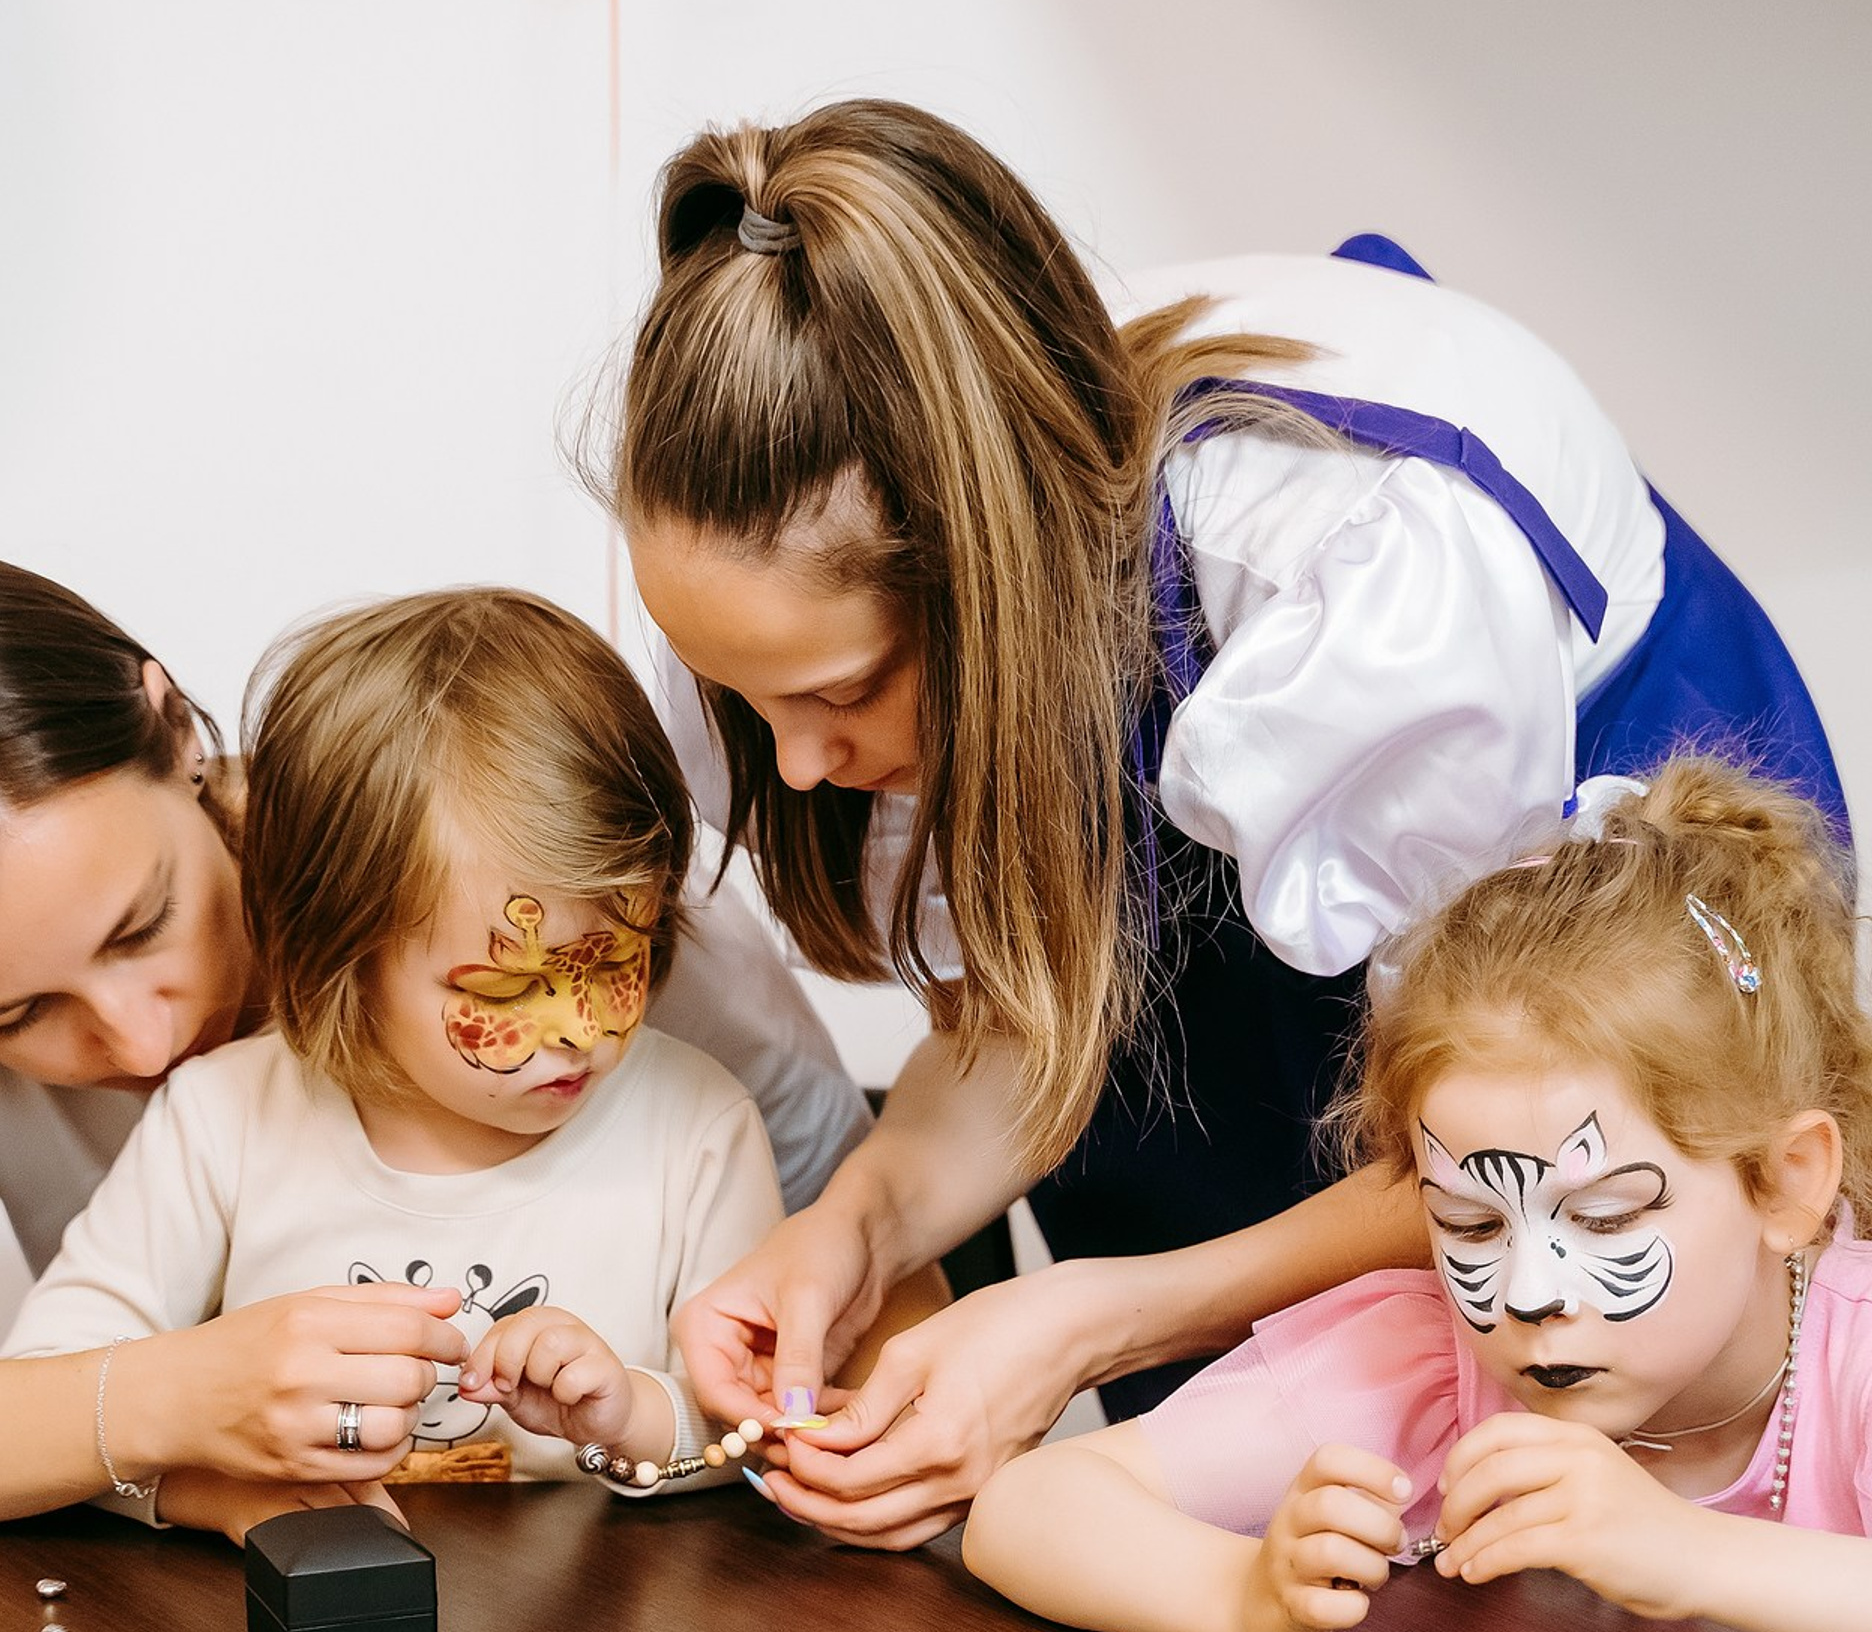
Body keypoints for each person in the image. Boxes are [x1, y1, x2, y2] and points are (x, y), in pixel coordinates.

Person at [596, 98, 1849, 1547]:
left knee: (1574, 1446)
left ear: (987, 579)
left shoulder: (1361, 582)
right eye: (746, 706)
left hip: (1563, 924)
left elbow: (1497, 1147)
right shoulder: (871, 448)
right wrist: (856, 1228)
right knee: (1271, 1524)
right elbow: (1039, 1004)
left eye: (845, 693)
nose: (797, 769)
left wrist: (1093, 1321)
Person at [0, 552, 870, 1524]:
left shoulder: (681, 1069)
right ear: (349, 956)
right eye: (17, 1014)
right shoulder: (219, 1114)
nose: (144, 1046)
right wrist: (185, 1450)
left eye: (146, 923)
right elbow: (46, 1396)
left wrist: (638, 1412)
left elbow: (813, 1349)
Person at [962, 759, 1872, 1632]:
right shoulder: (1427, 1365)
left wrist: (1689, 1553)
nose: (1527, 1294)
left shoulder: (1857, 1367)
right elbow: (1027, 1510)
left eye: (1603, 1216)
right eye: (1473, 1226)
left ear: (1789, 1184)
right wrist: (1244, 1595)